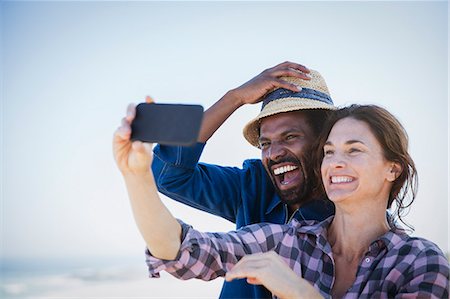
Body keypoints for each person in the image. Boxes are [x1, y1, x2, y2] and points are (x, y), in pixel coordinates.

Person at [113, 104, 449, 298]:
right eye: (331, 152)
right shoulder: (288, 241)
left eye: (354, 150)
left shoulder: (420, 262)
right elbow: (182, 248)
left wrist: (301, 293)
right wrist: (135, 175)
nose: (336, 162)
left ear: (393, 168)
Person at [150, 62, 336, 297]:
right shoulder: (252, 186)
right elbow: (167, 174)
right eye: (265, 143)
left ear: (324, 142)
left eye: (290, 137)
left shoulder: (350, 213)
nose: (273, 153)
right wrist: (234, 98)